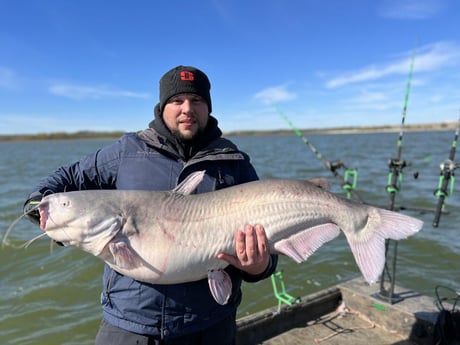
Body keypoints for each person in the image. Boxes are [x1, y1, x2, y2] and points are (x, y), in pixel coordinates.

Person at [24, 65, 278, 345]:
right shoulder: (126, 151)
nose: (187, 109)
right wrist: (43, 211)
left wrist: (259, 265)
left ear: (208, 107)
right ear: (162, 107)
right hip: (131, 325)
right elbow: (64, 179)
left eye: (197, 101)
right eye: (177, 100)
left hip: (212, 325)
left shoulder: (234, 162)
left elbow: (268, 256)